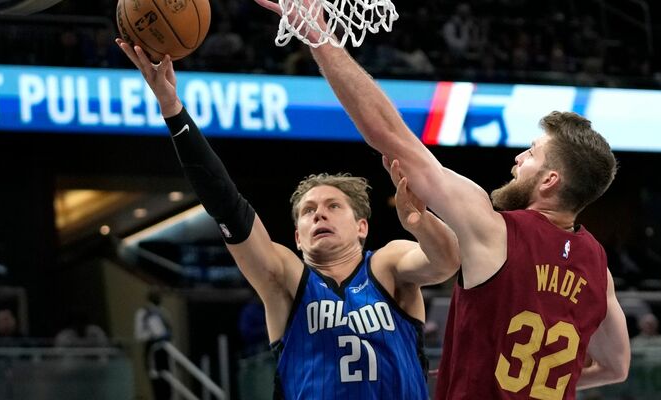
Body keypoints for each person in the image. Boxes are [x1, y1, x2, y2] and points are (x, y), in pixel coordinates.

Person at [253, 2, 630, 397]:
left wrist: (319, 35)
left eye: (532, 154)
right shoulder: (597, 269)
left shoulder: (496, 230)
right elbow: (615, 367)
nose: (518, 159)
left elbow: (388, 133)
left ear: (550, 180)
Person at [115, 39, 460, 399]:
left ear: (362, 227)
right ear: (297, 237)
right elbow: (227, 205)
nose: (319, 214)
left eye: (333, 206)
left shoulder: (388, 265)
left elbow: (447, 262)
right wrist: (173, 109)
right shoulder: (286, 279)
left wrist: (421, 222)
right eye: (308, 211)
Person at [135, 290, 173, 400]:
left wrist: (166, 335)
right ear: (150, 298)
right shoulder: (143, 313)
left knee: (167, 382)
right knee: (156, 382)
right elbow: (139, 336)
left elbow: (170, 331)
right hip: (152, 349)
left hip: (165, 349)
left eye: (159, 296)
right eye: (156, 296)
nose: (158, 298)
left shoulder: (164, 312)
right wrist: (153, 336)